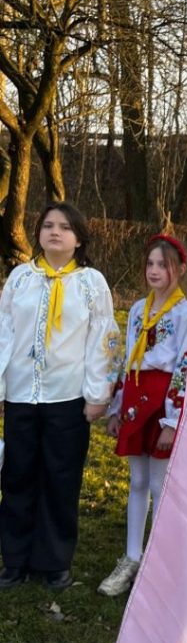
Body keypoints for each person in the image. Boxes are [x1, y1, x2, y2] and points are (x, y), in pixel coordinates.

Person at [0, 203, 120, 590]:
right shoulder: (19, 279)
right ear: (38, 233)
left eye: (65, 227)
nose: (55, 232)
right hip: (21, 396)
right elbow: (4, 334)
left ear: (78, 238)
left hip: (67, 398)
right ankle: (15, 559)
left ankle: (54, 562)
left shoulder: (90, 283)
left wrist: (98, 394)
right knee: (17, 477)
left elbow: (102, 340)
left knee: (60, 478)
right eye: (48, 225)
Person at [98, 234, 187, 597]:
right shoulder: (139, 309)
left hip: (162, 402)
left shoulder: (185, 313)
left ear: (180, 270)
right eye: (150, 264)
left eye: (163, 265)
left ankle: (158, 565)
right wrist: (116, 406)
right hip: (135, 401)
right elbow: (129, 358)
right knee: (137, 481)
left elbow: (186, 365)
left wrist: (173, 419)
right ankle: (131, 557)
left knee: (160, 485)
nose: (154, 271)